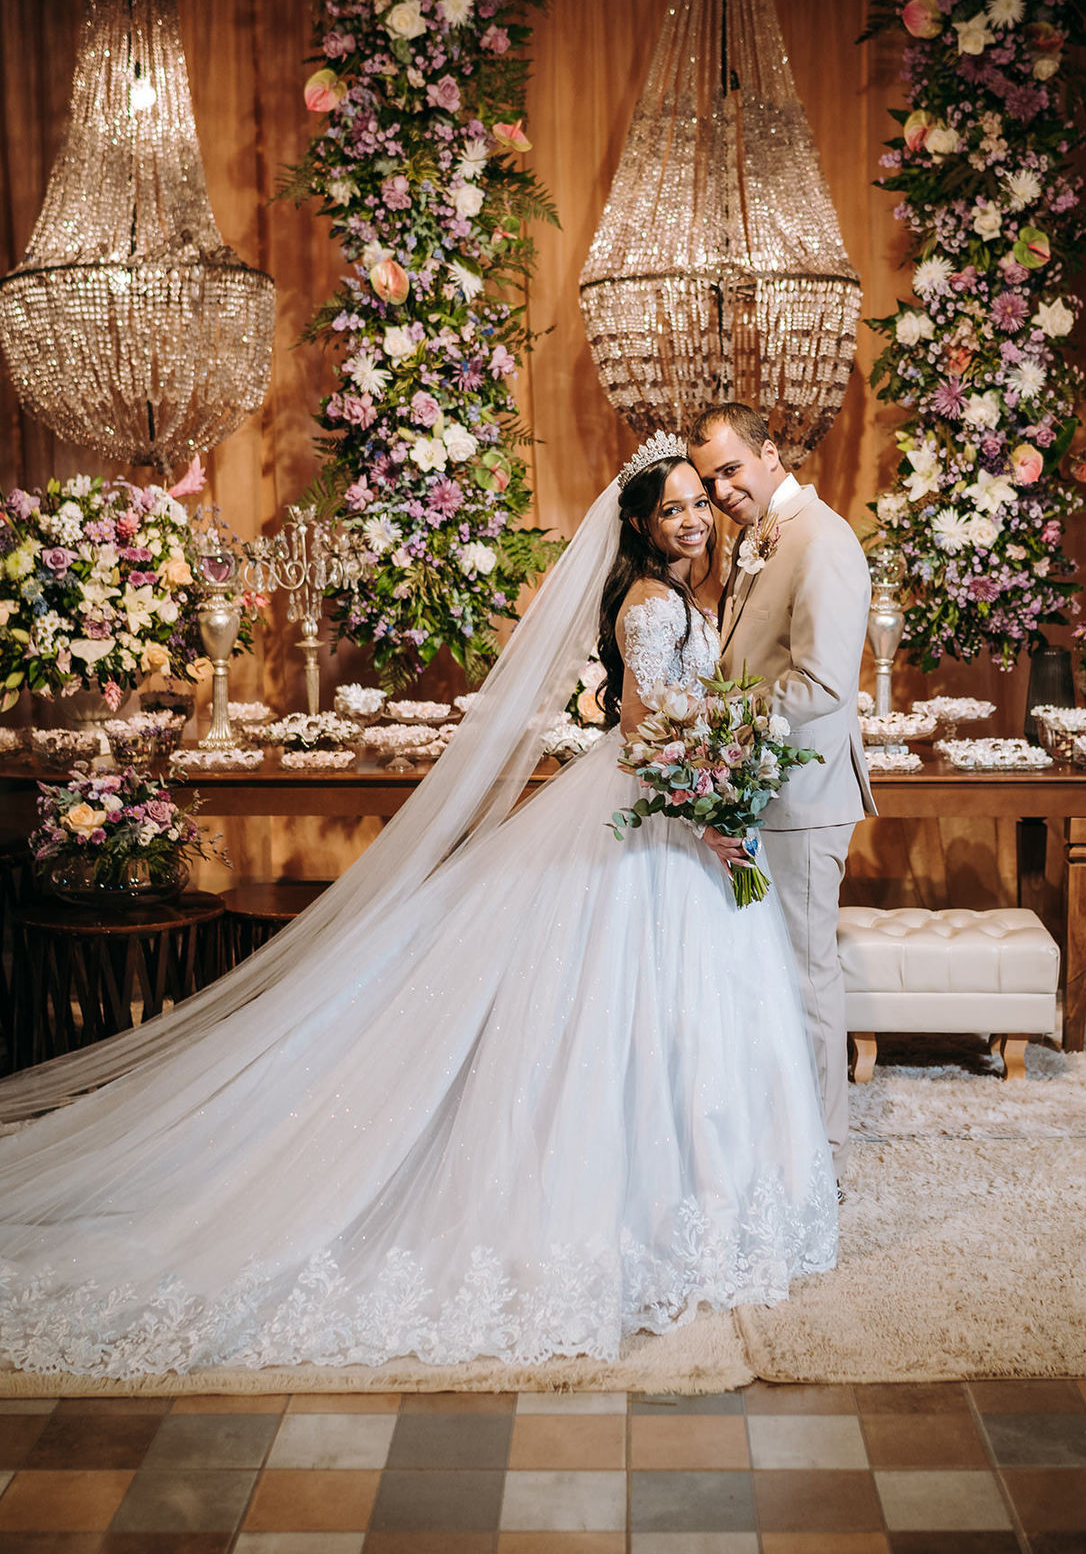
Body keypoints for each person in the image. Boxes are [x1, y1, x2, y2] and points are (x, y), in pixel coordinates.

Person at [0, 432, 836, 1379]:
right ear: (640, 524)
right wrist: (708, 811)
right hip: (659, 806)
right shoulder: (649, 603)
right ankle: (645, 1207)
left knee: (683, 1012)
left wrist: (715, 786)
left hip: (678, 804)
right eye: (674, 506)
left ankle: (705, 1195)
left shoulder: (683, 594)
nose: (692, 517)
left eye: (699, 501)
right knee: (629, 1010)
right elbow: (648, 731)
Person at [688, 403, 876, 1193]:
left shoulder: (823, 541)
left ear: (770, 454)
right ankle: (778, 1139)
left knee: (804, 979)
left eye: (731, 469)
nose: (720, 490)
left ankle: (822, 1160)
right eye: (707, 480)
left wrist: (715, 722)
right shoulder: (762, 539)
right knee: (762, 978)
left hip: (802, 797)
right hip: (756, 793)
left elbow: (824, 683)